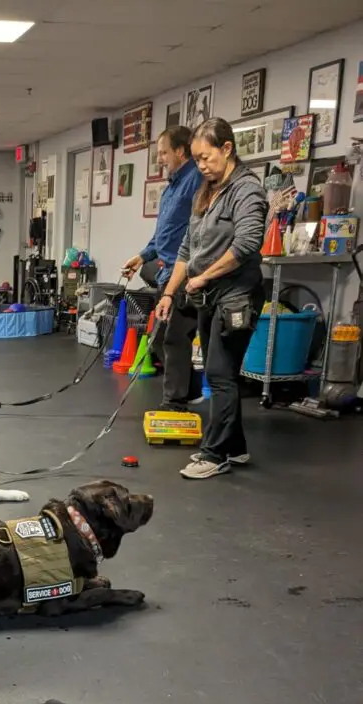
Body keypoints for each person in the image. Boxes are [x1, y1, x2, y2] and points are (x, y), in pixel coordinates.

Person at [155, 118, 268, 480]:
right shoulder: (206, 190)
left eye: (206, 157)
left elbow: (247, 244)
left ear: (227, 148)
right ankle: (236, 448)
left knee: (219, 373)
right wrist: (170, 292)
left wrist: (203, 276)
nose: (201, 165)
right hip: (205, 296)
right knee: (222, 373)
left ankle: (214, 453)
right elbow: (187, 249)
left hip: (236, 295)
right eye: (197, 159)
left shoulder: (247, 191)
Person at [122, 127, 202, 410]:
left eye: (164, 152)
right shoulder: (172, 186)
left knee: (172, 338)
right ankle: (190, 390)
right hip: (164, 269)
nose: (160, 158)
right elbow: (165, 233)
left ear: (180, 151)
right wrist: (142, 256)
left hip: (184, 272)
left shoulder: (195, 180)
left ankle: (175, 403)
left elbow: (196, 232)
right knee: (157, 339)